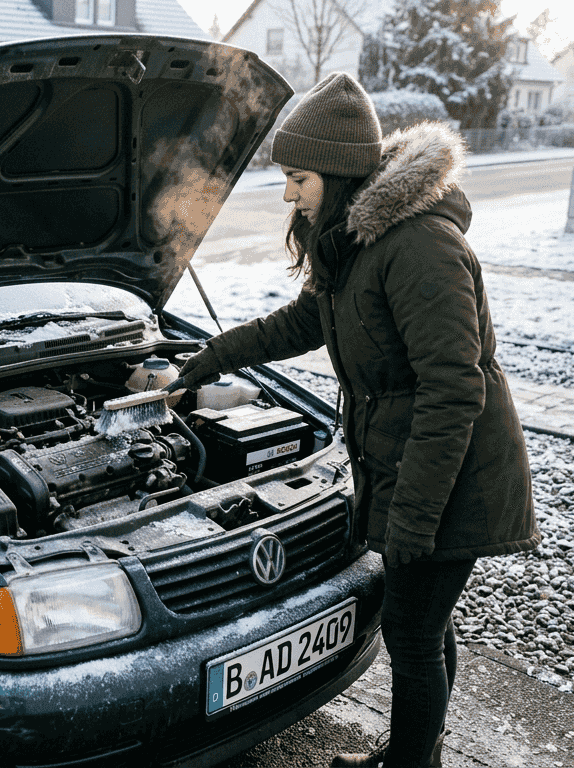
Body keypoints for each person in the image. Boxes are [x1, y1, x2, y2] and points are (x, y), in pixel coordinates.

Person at [177, 72, 540, 768]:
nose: (289, 194)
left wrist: (414, 516)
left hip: (453, 474)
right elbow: (306, 319)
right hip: (413, 465)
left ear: (339, 173)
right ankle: (415, 752)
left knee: (409, 633)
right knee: (426, 628)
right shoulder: (354, 240)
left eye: (298, 178)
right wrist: (213, 356)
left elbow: (454, 390)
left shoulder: (420, 247)